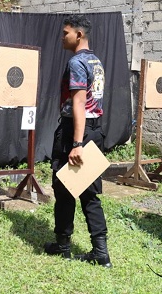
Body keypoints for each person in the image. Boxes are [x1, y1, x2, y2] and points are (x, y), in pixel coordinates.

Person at [43, 15, 111, 268]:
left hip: (77, 132)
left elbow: (79, 103)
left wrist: (76, 143)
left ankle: (64, 246)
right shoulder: (96, 61)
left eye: (65, 33)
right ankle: (100, 252)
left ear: (79, 35)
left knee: (64, 189)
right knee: (89, 193)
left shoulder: (77, 62)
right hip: (95, 131)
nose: (62, 37)